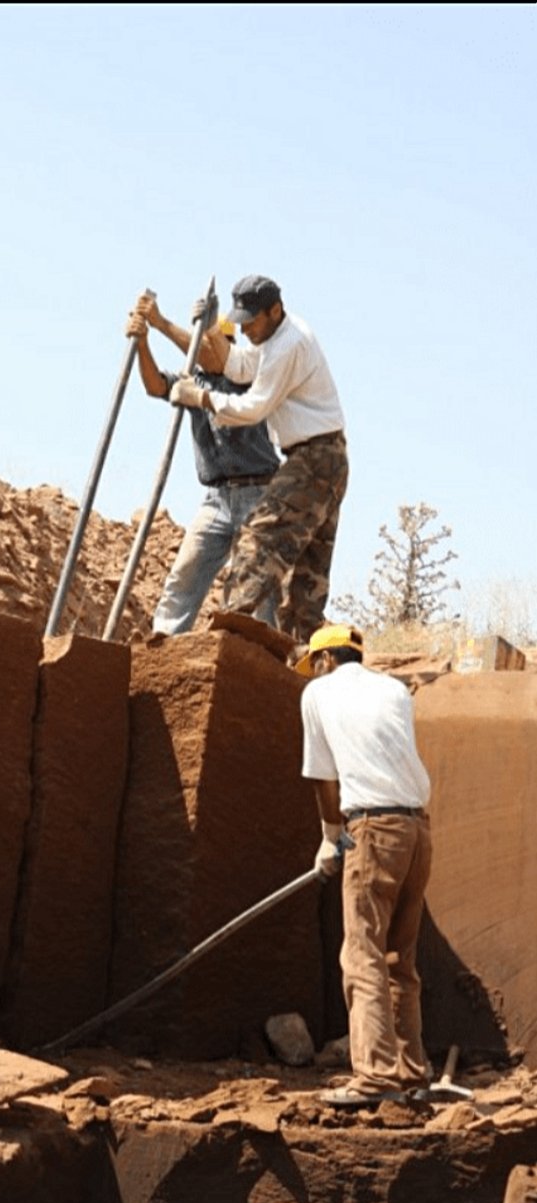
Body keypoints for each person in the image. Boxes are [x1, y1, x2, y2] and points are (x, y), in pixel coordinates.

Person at [168, 275, 348, 645]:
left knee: (258, 538)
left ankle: (228, 635)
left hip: (314, 459)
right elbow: (237, 366)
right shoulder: (272, 339)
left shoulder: (289, 344)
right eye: (241, 322)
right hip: (325, 459)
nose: (246, 329)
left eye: (252, 321)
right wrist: (214, 330)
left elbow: (255, 406)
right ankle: (301, 659)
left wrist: (201, 397)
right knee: (308, 576)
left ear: (275, 310)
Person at [296, 623, 433, 1107]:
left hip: (372, 830)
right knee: (400, 958)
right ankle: (411, 1072)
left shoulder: (318, 692)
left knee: (362, 955)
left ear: (324, 660)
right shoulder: (394, 690)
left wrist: (331, 838)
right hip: (417, 830)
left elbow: (322, 777)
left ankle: (375, 1076)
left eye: (314, 664)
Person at [126, 295, 280, 635]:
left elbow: (209, 356)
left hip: (259, 494)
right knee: (186, 573)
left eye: (216, 343)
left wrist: (163, 323)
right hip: (217, 499)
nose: (208, 350)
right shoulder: (192, 383)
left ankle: (269, 657)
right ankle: (163, 641)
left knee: (260, 583)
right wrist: (142, 344)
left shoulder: (247, 374)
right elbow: (155, 385)